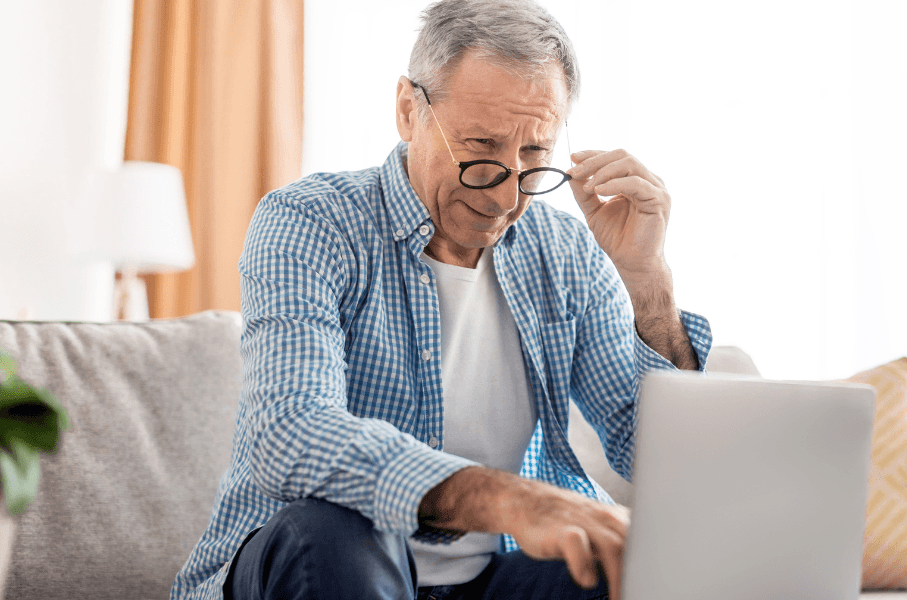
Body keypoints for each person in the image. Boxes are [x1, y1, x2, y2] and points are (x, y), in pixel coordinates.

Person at [172, 1, 711, 599]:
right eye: (481, 146)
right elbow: (291, 434)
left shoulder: (563, 252)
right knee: (335, 529)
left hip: (488, 580)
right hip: (320, 567)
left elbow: (658, 462)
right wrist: (508, 499)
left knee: (626, 564)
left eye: (534, 155)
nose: (507, 195)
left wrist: (647, 280)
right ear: (409, 110)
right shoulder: (310, 222)